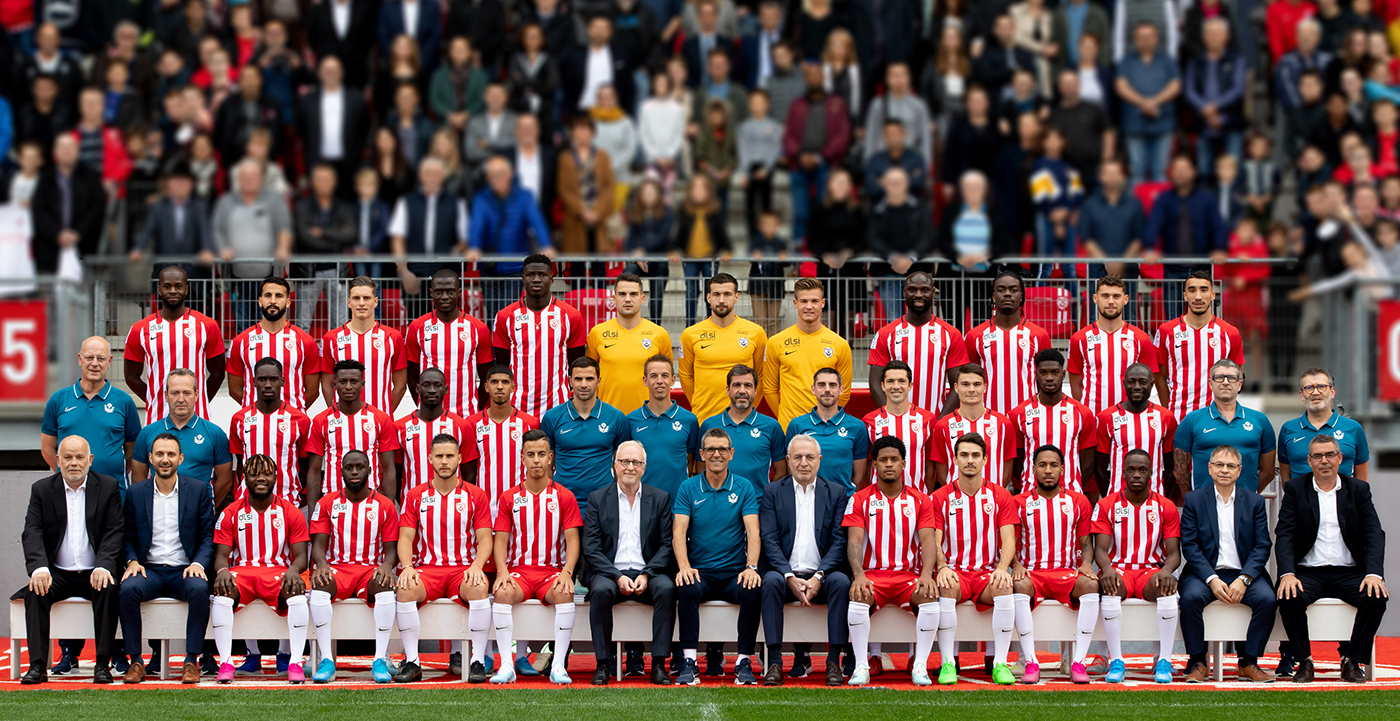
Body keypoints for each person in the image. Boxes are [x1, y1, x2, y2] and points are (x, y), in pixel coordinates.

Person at [1275, 434, 1389, 684]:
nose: (1324, 461)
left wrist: (1373, 573)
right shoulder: (1295, 489)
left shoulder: (1358, 489)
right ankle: (1304, 661)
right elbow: (1285, 535)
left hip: (1349, 572)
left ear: (1340, 458)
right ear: (1309, 461)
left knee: (1376, 597)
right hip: (1308, 572)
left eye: (1329, 455)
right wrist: (1287, 574)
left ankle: (1352, 660)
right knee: (1288, 596)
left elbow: (1374, 533)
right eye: (1317, 456)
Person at [17, 437, 124, 685]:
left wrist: (104, 565)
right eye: (67, 457)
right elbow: (32, 530)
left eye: (79, 457)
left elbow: (114, 530)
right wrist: (39, 569)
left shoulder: (107, 487)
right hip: (57, 574)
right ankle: (37, 665)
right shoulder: (42, 489)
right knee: (35, 592)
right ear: (58, 460)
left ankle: (102, 664)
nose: (73, 463)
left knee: (108, 589)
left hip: (94, 572)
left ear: (90, 460)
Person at [395, 434, 494, 683]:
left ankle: (478, 661)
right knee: (405, 588)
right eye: (439, 456)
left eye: (450, 456)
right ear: (430, 458)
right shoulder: (415, 495)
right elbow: (405, 538)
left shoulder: (475, 495)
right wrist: (407, 566)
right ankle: (412, 661)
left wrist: (477, 565)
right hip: (428, 569)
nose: (444, 461)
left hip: (463, 569)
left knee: (480, 585)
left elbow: (486, 539)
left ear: (459, 458)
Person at [487, 430, 584, 685]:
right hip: (519, 572)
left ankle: (558, 665)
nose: (536, 460)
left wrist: (567, 572)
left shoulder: (564, 496)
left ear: (550, 458)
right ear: (523, 458)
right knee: (502, 592)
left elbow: (573, 541)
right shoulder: (509, 497)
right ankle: (507, 665)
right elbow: (500, 540)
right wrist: (502, 572)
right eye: (530, 455)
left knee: (565, 592)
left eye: (542, 454)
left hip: (551, 572)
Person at [117, 434, 215, 684]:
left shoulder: (198, 490)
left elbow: (207, 535)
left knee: (200, 589)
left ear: (180, 458)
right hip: (148, 570)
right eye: (159, 454)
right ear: (150, 458)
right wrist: (131, 561)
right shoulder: (136, 492)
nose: (165, 459)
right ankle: (136, 661)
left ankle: (191, 661)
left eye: (171, 454)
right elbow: (126, 535)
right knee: (127, 589)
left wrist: (198, 563)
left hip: (184, 570)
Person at [1177, 445, 1277, 683]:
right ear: (1209, 468)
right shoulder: (1194, 500)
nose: (1224, 470)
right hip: (1204, 574)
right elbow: (1190, 546)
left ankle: (1248, 662)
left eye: (1230, 466)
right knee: (1190, 599)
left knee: (1267, 599)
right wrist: (1212, 579)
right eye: (1219, 465)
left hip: (1244, 573)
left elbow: (1262, 545)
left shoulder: (1254, 501)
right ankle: (1198, 662)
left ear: (1239, 470)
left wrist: (1245, 579)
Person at [209, 454, 312, 684]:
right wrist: (222, 571)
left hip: (277, 571)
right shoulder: (231, 512)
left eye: (266, 473)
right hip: (243, 572)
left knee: (296, 589)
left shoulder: (290, 511)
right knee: (223, 590)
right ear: (244, 478)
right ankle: (226, 662)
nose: (261, 478)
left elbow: (301, 557)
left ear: (276, 477)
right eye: (254, 474)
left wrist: (294, 570)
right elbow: (221, 556)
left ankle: (295, 661)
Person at [671, 428, 763, 686]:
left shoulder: (744, 486)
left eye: (722, 449)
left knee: (753, 587)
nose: (716, 454)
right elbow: (679, 532)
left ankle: (743, 662)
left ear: (731, 453)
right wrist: (684, 567)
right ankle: (690, 662)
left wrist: (751, 567)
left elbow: (753, 532)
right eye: (710, 449)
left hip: (734, 574)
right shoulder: (688, 487)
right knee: (686, 585)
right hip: (701, 574)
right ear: (701, 454)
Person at [758, 433, 851, 687]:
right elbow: (769, 539)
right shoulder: (772, 491)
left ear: (819, 460)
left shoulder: (836, 493)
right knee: (770, 582)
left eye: (809, 457)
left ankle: (833, 662)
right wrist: (789, 576)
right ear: (788, 461)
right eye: (797, 457)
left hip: (822, 576)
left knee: (842, 582)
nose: (803, 462)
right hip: (785, 575)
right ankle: (775, 662)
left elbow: (839, 542)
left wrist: (818, 577)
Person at [928, 432, 1020, 686]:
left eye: (976, 455)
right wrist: (942, 567)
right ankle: (948, 662)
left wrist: (1002, 568)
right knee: (946, 584)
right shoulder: (940, 497)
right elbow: (934, 541)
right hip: (955, 571)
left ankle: (1000, 663)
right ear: (955, 459)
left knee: (1004, 585)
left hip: (986, 572)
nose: (970, 460)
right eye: (964, 455)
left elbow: (1009, 540)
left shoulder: (1000, 495)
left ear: (985, 460)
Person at [584, 441, 677, 686]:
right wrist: (617, 576)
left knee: (667, 588)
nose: (630, 467)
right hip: (610, 572)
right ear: (615, 465)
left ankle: (659, 665)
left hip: (649, 572)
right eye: (624, 461)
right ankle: (603, 664)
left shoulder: (660, 498)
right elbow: (591, 547)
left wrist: (647, 574)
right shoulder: (597, 499)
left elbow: (667, 545)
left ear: (644, 467)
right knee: (600, 590)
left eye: (636, 462)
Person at [1009, 445, 1099, 684]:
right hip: (1033, 574)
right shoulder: (1018, 502)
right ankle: (1031, 662)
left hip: (1066, 573)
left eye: (1053, 465)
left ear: (1062, 469)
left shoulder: (1078, 501)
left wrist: (1087, 563)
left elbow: (1086, 543)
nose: (1048, 470)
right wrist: (1016, 564)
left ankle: (1078, 662)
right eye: (1042, 465)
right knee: (1018, 585)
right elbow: (1010, 542)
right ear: (1033, 469)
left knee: (1091, 585)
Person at [1092, 449, 1182, 684]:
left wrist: (1166, 571)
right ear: (1123, 472)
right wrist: (1107, 569)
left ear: (1151, 473)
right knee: (1110, 588)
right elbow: (1100, 550)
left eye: (1142, 470)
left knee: (1167, 588)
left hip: (1150, 571)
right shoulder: (1106, 505)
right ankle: (1116, 661)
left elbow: (1174, 554)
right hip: (1118, 570)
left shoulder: (1166, 506)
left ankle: (1164, 661)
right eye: (1131, 469)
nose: (1136, 475)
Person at [123, 265, 225, 426]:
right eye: (167, 286)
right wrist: (155, 399)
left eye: (178, 286)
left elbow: (218, 373)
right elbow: (130, 376)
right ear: (159, 289)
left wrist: (199, 400)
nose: (172, 291)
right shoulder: (140, 329)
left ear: (186, 289)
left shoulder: (207, 325)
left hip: (198, 418)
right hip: (157, 419)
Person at [492, 254, 587, 419]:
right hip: (517, 407)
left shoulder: (571, 315)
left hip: (559, 407)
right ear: (523, 278)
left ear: (551, 278)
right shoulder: (504, 316)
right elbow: (502, 366)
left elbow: (576, 364)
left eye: (542, 275)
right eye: (531, 275)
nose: (536, 279)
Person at [41, 336, 142, 492]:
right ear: (80, 359)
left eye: (100, 358)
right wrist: (70, 476)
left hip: (114, 494)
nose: (95, 363)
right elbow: (47, 449)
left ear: (109, 361)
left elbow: (132, 451)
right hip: (71, 493)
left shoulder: (124, 401)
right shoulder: (58, 400)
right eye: (89, 357)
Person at [465, 158, 555, 319]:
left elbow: (537, 221)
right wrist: (474, 246)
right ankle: (493, 336)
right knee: (491, 315)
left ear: (510, 174)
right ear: (488, 178)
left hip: (514, 267)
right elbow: (477, 225)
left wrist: (546, 244)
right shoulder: (481, 198)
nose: (498, 178)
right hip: (488, 266)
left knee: (507, 314)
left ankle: (504, 337)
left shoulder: (524, 197)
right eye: (493, 175)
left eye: (501, 174)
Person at [541, 357, 632, 518]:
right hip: (562, 503)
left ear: (598, 381)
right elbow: (547, 465)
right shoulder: (552, 417)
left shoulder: (616, 417)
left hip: (603, 505)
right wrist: (549, 498)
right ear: (570, 381)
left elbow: (621, 465)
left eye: (589, 379)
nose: (583, 384)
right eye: (578, 379)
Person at [867, 272, 968, 416]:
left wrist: (938, 423)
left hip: (935, 421)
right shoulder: (885, 334)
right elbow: (875, 384)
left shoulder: (951, 334)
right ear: (904, 292)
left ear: (933, 293)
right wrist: (892, 418)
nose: (919, 295)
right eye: (912, 290)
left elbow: (959, 385)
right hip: (896, 420)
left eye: (925, 290)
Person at [305, 360, 401, 511]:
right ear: (334, 384)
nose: (348, 387)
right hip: (332, 502)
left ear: (362, 384)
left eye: (354, 381)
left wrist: (389, 507)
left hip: (371, 504)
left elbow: (389, 467)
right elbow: (314, 471)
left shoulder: (380, 419)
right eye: (343, 382)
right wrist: (313, 512)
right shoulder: (320, 421)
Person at [211, 160, 294, 331]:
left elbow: (284, 226)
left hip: (268, 278)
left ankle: (265, 348)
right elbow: (217, 229)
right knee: (242, 325)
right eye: (245, 176)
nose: (249, 180)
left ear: (261, 178)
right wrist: (223, 247)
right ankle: (244, 347)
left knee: (267, 322)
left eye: (253, 176)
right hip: (237, 278)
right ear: (239, 179)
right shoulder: (226, 201)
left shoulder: (273, 200)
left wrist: (283, 247)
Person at [1174, 359, 1277, 495]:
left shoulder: (1260, 420)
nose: (1225, 382)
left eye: (1232, 378)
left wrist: (1250, 495)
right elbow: (1180, 470)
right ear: (1210, 383)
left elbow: (1268, 471)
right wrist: (1193, 499)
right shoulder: (1191, 420)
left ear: (1240, 384)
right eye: (1219, 377)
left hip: (1246, 504)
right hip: (1203, 503)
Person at [1153, 271, 1245, 421]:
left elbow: (1237, 377)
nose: (1198, 296)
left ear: (1213, 295)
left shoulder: (1230, 333)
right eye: (1192, 290)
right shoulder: (1166, 331)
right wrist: (1169, 412)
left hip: (1217, 421)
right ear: (1185, 296)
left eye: (1203, 290)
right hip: (1178, 419)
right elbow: (1159, 377)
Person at [763, 278, 854, 430]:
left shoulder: (840, 344)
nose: (809, 306)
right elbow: (769, 389)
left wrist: (825, 417)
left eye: (814, 301)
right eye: (804, 301)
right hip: (790, 428)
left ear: (823, 303)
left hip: (825, 428)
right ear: (795, 303)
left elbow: (843, 393)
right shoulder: (775, 342)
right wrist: (787, 420)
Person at [130, 369, 233, 501]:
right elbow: (138, 480)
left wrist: (206, 506)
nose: (181, 399)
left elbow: (225, 480)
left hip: (199, 511)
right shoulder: (147, 433)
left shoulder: (215, 434)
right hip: (159, 509)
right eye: (175, 393)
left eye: (186, 393)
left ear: (196, 395)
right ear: (166, 395)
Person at [679, 272, 769, 423]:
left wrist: (747, 408)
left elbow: (761, 376)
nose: (721, 300)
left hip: (742, 420)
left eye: (727, 294)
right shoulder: (690, 334)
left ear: (736, 297)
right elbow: (686, 376)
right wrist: (700, 403)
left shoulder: (756, 333)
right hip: (704, 419)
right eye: (716, 294)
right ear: (708, 298)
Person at [404, 269, 493, 419]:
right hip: (429, 417)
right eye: (439, 292)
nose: (444, 296)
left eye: (450, 291)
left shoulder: (478, 328)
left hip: (467, 416)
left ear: (459, 292)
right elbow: (412, 377)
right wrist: (424, 406)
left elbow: (486, 378)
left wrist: (474, 411)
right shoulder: (416, 327)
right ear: (431, 293)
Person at [387, 157, 469, 318]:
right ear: (421, 176)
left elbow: (465, 238)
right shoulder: (406, 202)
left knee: (447, 322)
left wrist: (457, 249)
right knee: (416, 321)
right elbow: (397, 238)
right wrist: (403, 270)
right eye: (428, 173)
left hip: (447, 273)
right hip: (415, 272)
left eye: (436, 173)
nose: (432, 177)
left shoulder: (456, 203)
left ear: (443, 176)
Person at [1008, 350, 1098, 497]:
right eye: (1043, 372)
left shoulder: (1083, 413)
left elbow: (1088, 462)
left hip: (1071, 495)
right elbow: (1017, 461)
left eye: (1055, 372)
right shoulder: (1018, 414)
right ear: (1036, 375)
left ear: (1063, 374)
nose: (1049, 378)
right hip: (1031, 495)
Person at [965, 271, 1052, 416]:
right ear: (993, 296)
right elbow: (970, 379)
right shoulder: (975, 336)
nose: (1007, 294)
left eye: (1013, 290)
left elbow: (1045, 379)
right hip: (987, 417)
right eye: (1001, 290)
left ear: (1021, 296)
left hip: (1029, 417)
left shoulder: (1039, 335)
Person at [1067, 275, 1157, 415]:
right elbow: (1076, 383)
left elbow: (1148, 380)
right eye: (1105, 296)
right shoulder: (1079, 338)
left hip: (1129, 418)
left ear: (1125, 299)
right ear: (1095, 298)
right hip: (1092, 418)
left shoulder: (1141, 338)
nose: (1110, 301)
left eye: (1116, 296)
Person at [226, 276, 320, 410]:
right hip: (254, 420)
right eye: (268, 295)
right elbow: (234, 390)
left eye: (279, 296)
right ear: (260, 301)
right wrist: (255, 411)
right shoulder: (240, 341)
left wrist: (292, 412)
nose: (273, 301)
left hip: (293, 421)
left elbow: (313, 391)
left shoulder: (306, 341)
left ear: (288, 302)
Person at [588, 273, 675, 414]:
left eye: (633, 294)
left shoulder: (659, 334)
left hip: (647, 417)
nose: (627, 299)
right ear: (614, 299)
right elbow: (589, 376)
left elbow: (667, 377)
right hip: (607, 417)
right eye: (622, 294)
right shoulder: (597, 333)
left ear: (642, 298)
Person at [229, 358, 312, 506]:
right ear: (254, 381)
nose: (268, 384)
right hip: (247, 503)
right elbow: (240, 463)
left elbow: (304, 464)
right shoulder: (239, 419)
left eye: (273, 379)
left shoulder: (300, 420)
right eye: (262, 379)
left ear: (282, 381)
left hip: (288, 502)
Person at [319, 276, 408, 415]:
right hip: (342, 420)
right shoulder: (331, 338)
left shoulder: (393, 337)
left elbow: (401, 385)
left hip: (381, 423)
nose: (361, 303)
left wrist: (383, 415)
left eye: (366, 298)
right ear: (349, 302)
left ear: (375, 301)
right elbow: (327, 384)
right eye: (356, 298)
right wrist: (337, 414)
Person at [465, 366, 542, 520]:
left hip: (521, 508)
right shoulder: (472, 423)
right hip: (483, 509)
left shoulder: (530, 423)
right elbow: (468, 470)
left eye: (505, 382)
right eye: (494, 382)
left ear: (513, 387)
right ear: (486, 387)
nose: (500, 386)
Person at [698, 364, 787, 494]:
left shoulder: (772, 426)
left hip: (757, 504)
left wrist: (767, 497)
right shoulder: (709, 425)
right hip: (718, 503)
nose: (742, 391)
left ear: (755, 390)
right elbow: (701, 469)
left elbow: (781, 472)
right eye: (736, 385)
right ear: (728, 389)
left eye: (748, 385)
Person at [1095, 363, 1178, 501]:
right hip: (1117, 501)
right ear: (1124, 384)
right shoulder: (1107, 417)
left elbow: (1170, 468)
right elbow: (1099, 469)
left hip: (1154, 501)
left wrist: (1162, 498)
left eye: (1143, 382)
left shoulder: (1166, 417)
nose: (1137, 386)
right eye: (1131, 382)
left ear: (1152, 384)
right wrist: (1110, 499)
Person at [931, 364, 1018, 490]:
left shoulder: (1003, 424)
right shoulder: (943, 425)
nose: (971, 389)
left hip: (993, 498)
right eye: (965, 384)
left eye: (977, 384)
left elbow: (1007, 470)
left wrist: (993, 494)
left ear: (985, 387)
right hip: (956, 499)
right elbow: (942, 471)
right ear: (956, 387)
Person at [1277, 367, 1370, 484]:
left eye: (1321, 387)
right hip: (1300, 496)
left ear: (1332, 392)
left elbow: (1361, 480)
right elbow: (1286, 478)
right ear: (1301, 395)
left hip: (1343, 496)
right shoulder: (1288, 429)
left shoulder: (1354, 428)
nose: (1315, 392)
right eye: (1309, 388)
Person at [784, 368, 869, 494]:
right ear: (813, 389)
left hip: (843, 500)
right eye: (821, 385)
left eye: (832, 385)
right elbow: (790, 469)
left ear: (841, 390)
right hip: (806, 498)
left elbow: (859, 476)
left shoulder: (857, 426)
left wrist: (847, 498)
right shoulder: (796, 425)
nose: (827, 389)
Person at [1116, 21, 1181, 184]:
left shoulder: (1167, 60)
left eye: (1149, 36)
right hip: (1134, 124)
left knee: (1161, 171)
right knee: (1136, 172)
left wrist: (1155, 101)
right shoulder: (1126, 61)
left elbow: (1176, 85)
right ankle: (1137, 202)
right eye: (1141, 36)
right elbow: (1120, 86)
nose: (1145, 39)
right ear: (1135, 39)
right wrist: (1143, 102)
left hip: (1163, 123)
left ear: (1157, 38)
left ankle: (1159, 201)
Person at [292, 164, 356, 330]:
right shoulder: (302, 206)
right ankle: (302, 349)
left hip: (337, 270)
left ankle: (338, 349)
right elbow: (304, 238)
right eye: (320, 179)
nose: (324, 183)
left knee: (340, 324)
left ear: (335, 182)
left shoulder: (343, 206)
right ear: (312, 182)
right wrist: (336, 241)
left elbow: (350, 235)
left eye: (328, 179)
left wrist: (322, 232)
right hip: (308, 271)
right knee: (302, 324)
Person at [626, 355, 700, 499]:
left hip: (678, 503)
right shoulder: (631, 420)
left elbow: (689, 462)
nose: (659, 381)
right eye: (654, 376)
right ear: (645, 380)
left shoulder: (689, 420)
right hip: (641, 503)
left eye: (665, 376)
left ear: (673, 380)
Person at [395, 368, 477, 493]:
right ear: (417, 388)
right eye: (426, 385)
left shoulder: (461, 426)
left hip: (452, 503)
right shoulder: (400, 427)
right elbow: (396, 473)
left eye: (437, 385)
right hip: (412, 503)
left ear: (446, 389)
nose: (432, 390)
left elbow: (469, 473)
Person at [297, 56, 370, 194]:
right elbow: (302, 130)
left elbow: (364, 127)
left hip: (348, 164)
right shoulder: (307, 100)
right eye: (327, 69)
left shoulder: (356, 98)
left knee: (347, 199)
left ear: (342, 72)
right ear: (319, 73)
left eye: (334, 69)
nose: (330, 73)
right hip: (318, 162)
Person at [863, 361, 936, 493]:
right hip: (879, 499)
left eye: (901, 381)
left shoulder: (927, 419)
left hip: (917, 499)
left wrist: (925, 496)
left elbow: (930, 465)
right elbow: (867, 465)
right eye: (890, 381)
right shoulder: (869, 421)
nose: (896, 386)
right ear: (882, 386)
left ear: (910, 386)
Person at [1078, 161, 1148, 285]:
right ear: (1100, 176)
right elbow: (1086, 238)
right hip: (1097, 269)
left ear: (1123, 176)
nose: (1112, 177)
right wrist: (1107, 262)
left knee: (1128, 298)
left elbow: (1138, 237)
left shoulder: (1134, 204)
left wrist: (1122, 262)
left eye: (1115, 173)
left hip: (1128, 269)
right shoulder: (1090, 204)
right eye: (1108, 173)